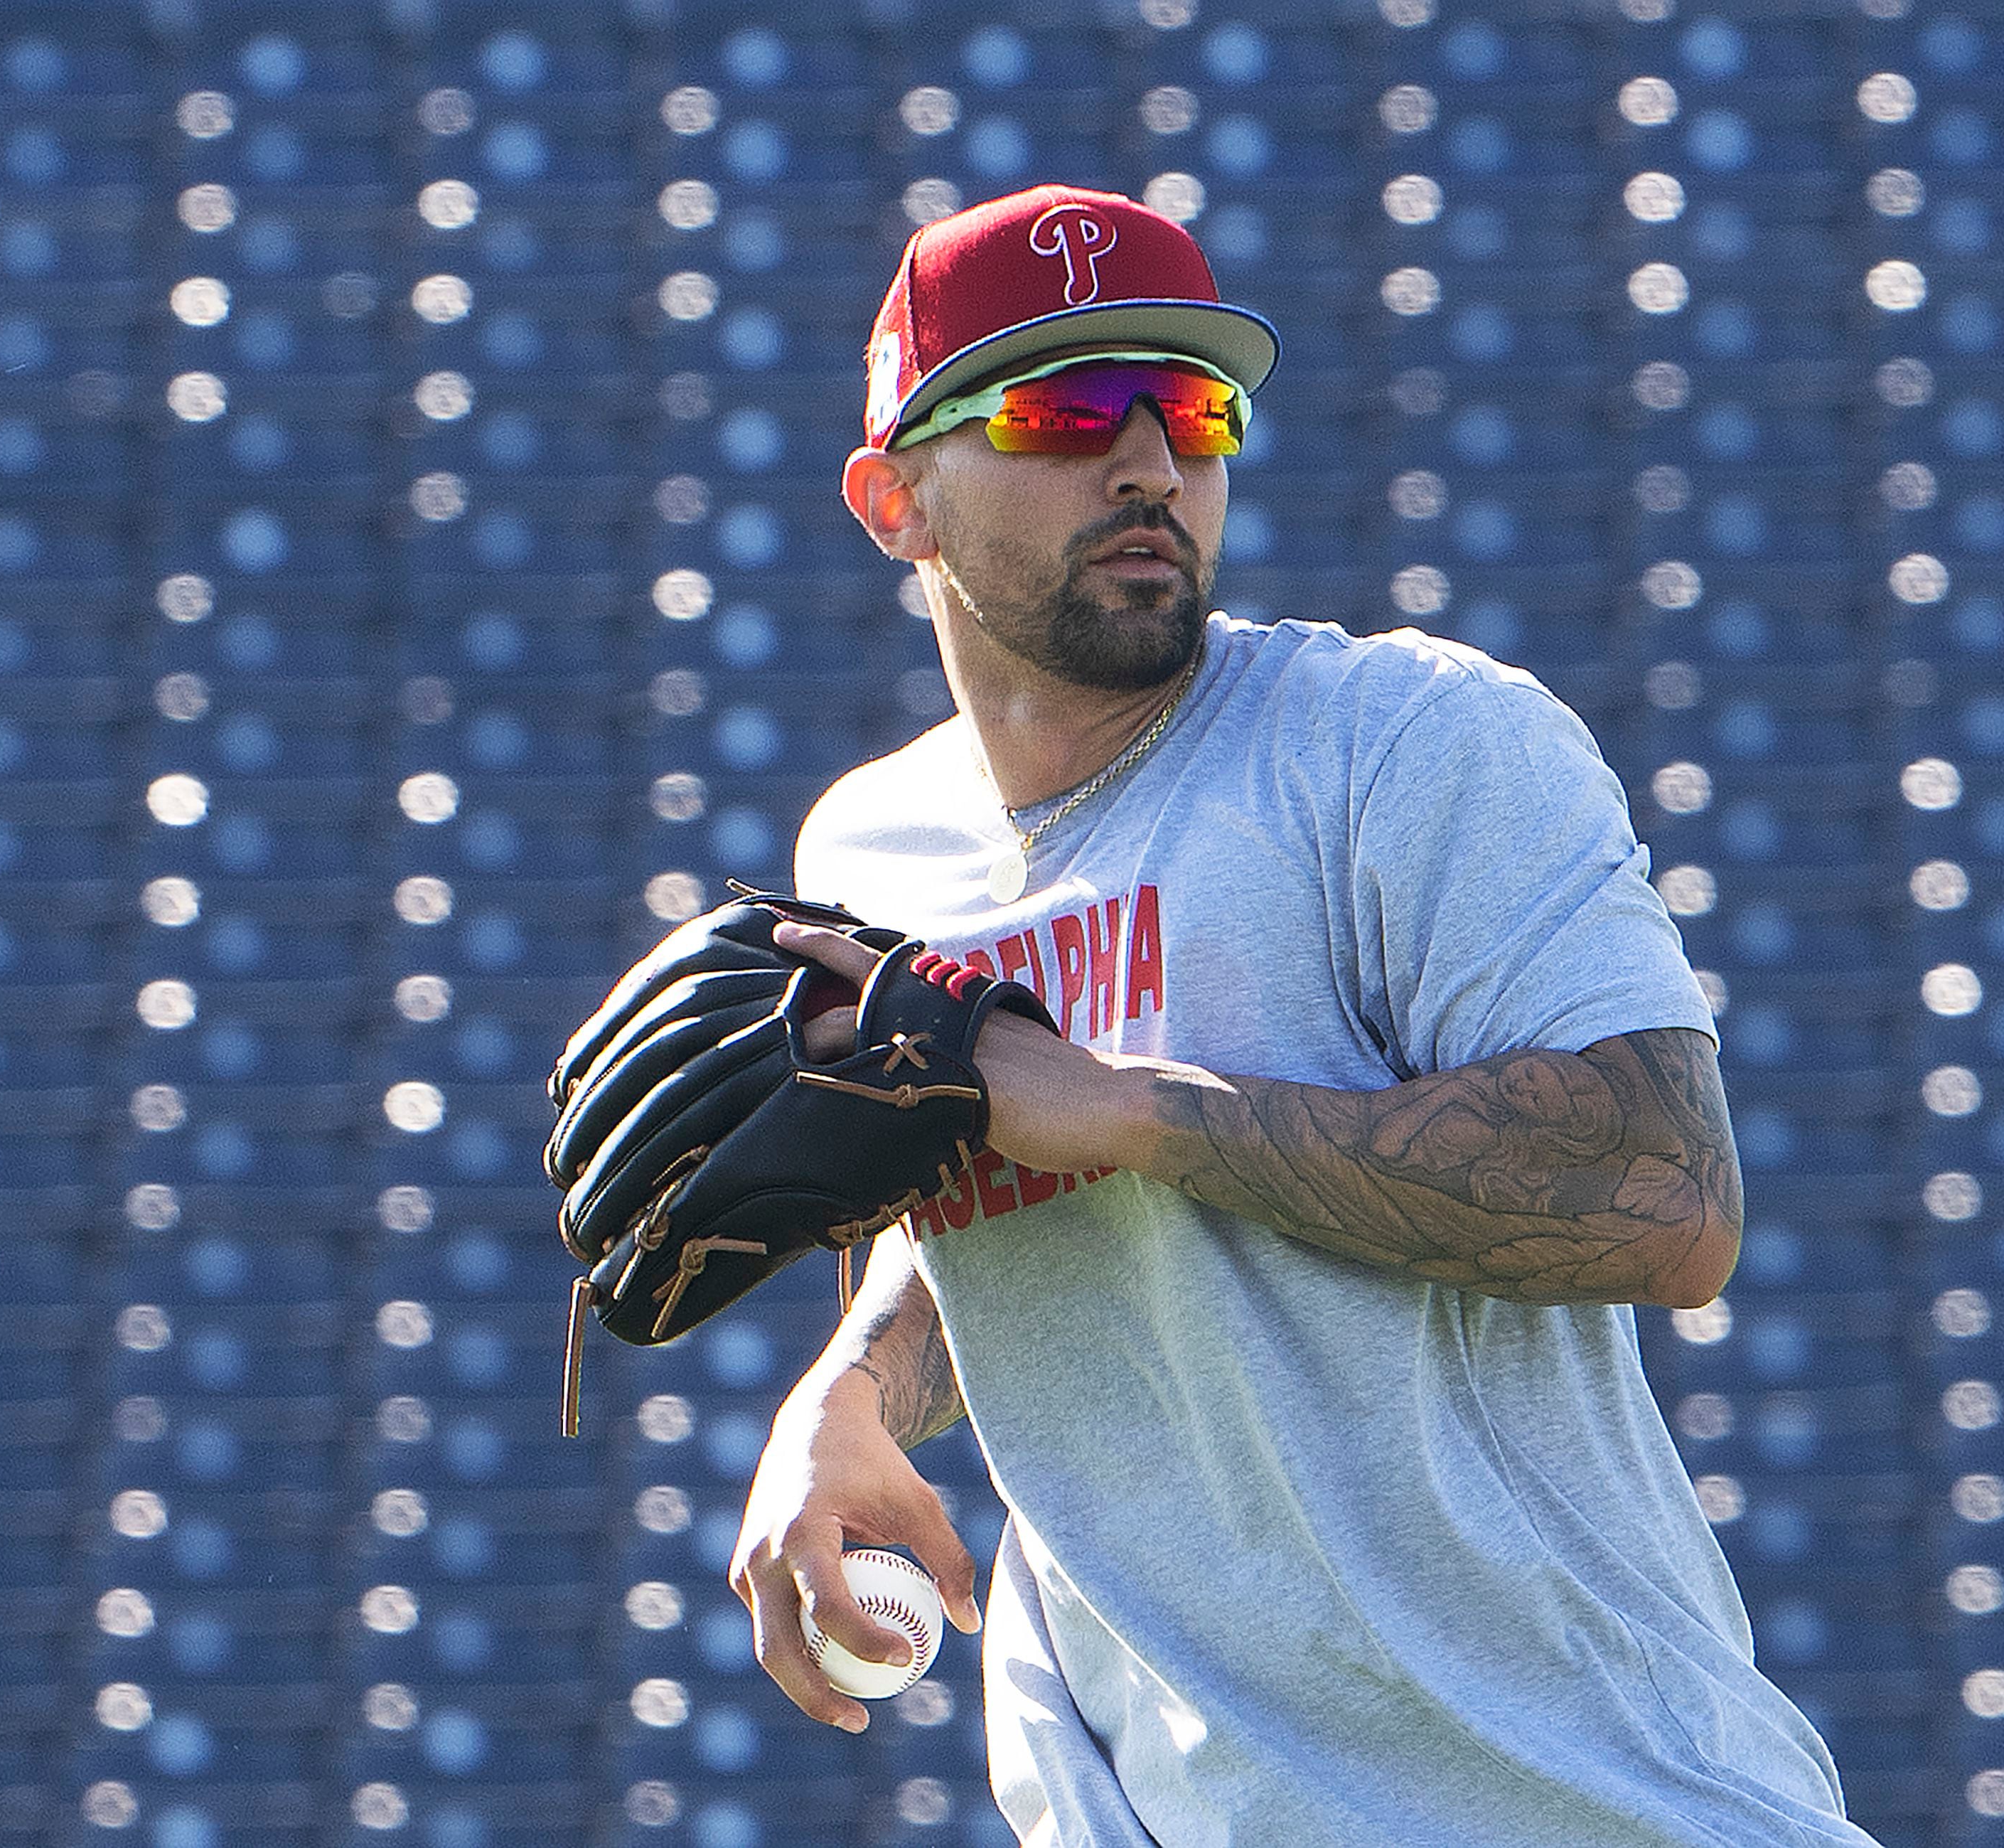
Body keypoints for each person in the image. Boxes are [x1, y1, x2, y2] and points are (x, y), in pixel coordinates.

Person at [727, 183, 1883, 1848]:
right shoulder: (866, 855)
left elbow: (1671, 1201)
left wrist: (1136, 1106)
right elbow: (982, 1201)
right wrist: (849, 1391)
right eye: (1059, 411)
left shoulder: (1405, 746)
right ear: (892, 500)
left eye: (1191, 409)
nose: (1145, 465)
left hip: (1574, 1802)